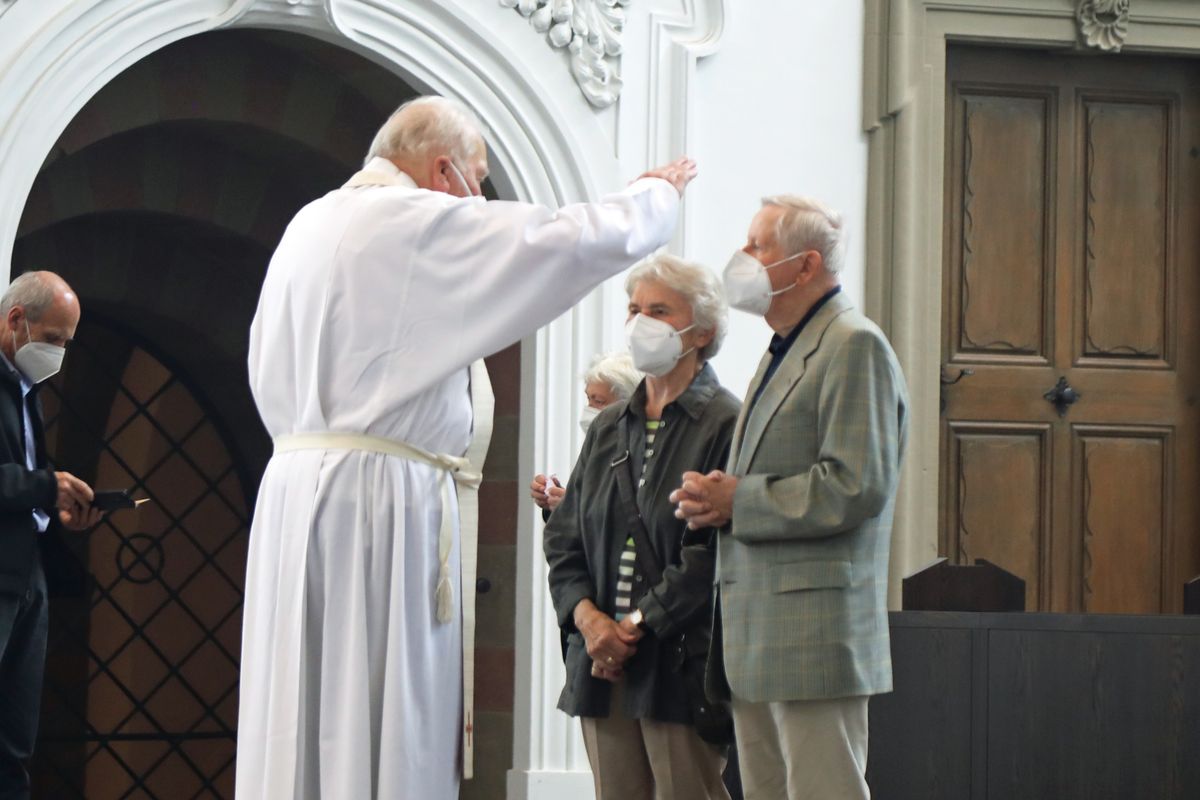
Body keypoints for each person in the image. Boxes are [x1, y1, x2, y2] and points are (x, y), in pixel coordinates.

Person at [237, 94, 697, 800]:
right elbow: (559, 240)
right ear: (442, 170)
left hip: (294, 497)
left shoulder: (308, 224)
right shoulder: (413, 218)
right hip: (378, 505)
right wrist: (654, 197)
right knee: (381, 709)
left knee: (304, 705)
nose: (479, 201)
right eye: (478, 180)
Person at [671, 196, 909, 799]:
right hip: (759, 634)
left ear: (805, 266)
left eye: (758, 245)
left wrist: (740, 501)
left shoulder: (853, 344)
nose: (743, 256)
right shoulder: (786, 348)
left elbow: (856, 485)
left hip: (813, 634)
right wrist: (714, 501)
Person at [544, 254, 738, 800]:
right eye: (634, 309)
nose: (639, 323)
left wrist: (631, 627)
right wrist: (590, 623)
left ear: (702, 331)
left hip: (676, 660)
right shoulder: (609, 425)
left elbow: (711, 553)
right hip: (599, 661)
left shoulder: (726, 422)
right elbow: (564, 537)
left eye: (658, 311)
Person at [0, 271, 100, 798]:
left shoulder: (26, 390)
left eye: (66, 342)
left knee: (15, 743)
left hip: (28, 575)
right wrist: (45, 485)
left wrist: (58, 507)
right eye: (53, 339)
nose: (59, 353)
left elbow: (27, 476)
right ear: (16, 320)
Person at [529, 350, 641, 517]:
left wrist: (572, 507)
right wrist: (554, 501)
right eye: (589, 399)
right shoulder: (595, 448)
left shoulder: (643, 452)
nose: (589, 409)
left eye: (599, 401)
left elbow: (629, 516)